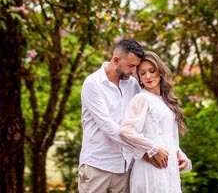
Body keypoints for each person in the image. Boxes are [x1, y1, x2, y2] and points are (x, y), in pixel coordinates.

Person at [79, 39, 167, 193]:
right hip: (97, 166)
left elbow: (148, 120)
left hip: (125, 167)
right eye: (131, 66)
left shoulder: (132, 84)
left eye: (135, 67)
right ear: (116, 60)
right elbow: (109, 127)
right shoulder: (93, 84)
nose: (133, 72)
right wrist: (148, 150)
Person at [119, 51, 191, 193]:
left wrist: (181, 155)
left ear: (160, 71)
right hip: (150, 167)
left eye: (152, 71)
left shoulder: (165, 102)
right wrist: (153, 149)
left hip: (168, 167)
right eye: (143, 73)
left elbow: (169, 136)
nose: (148, 76)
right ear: (138, 77)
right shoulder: (142, 98)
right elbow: (125, 131)